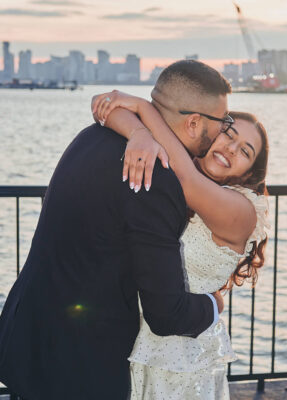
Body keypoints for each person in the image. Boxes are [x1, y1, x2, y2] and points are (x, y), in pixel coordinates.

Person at [0, 60, 232, 400]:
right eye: (223, 121)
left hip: (26, 335)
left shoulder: (92, 136)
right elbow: (166, 314)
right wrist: (213, 304)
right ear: (194, 122)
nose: (225, 129)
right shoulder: (154, 177)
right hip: (79, 367)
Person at [91, 87, 269, 399]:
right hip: (131, 338)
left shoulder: (243, 211)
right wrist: (139, 133)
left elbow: (189, 180)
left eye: (245, 151)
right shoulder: (170, 169)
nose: (231, 149)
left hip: (183, 352)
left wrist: (144, 108)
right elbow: (103, 108)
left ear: (250, 172)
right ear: (211, 131)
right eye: (229, 135)